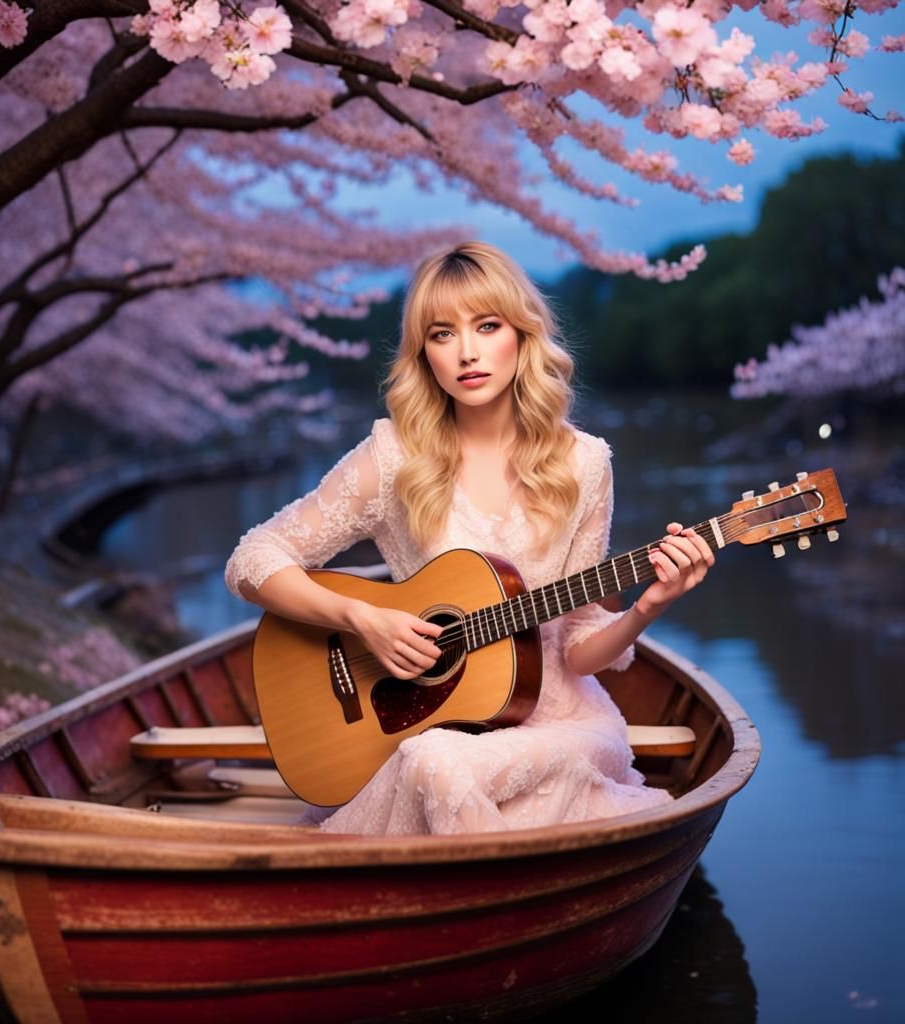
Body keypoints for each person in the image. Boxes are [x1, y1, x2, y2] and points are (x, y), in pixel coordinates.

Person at [224, 241, 714, 835]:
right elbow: (252, 558)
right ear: (424, 353)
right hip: (426, 723)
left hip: (560, 725)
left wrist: (647, 609)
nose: (467, 352)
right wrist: (361, 618)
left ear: (522, 334)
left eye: (486, 326)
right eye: (441, 333)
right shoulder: (393, 459)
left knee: (436, 765)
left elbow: (577, 647)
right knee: (432, 758)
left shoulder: (584, 464)